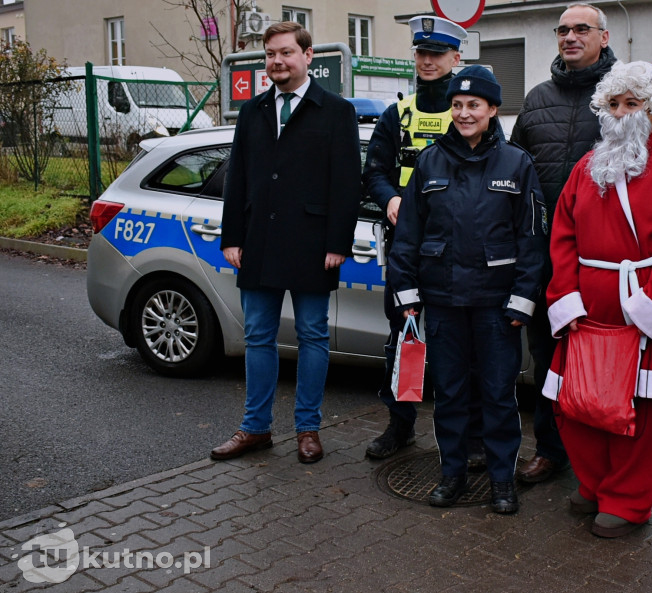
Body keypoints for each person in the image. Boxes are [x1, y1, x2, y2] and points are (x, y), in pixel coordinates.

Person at [542, 61, 652, 537]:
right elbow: (563, 236)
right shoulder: (586, 166)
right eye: (613, 104)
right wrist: (566, 299)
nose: (620, 113)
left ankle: (628, 501)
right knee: (576, 405)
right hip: (587, 311)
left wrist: (649, 310)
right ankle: (596, 485)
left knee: (643, 412)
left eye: (631, 104)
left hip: (643, 312)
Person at [389, 66, 543, 514]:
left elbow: (532, 239)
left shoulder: (517, 163)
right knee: (451, 395)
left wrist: (522, 299)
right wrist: (408, 295)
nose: (463, 113)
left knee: (498, 395)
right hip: (442, 304)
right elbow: (409, 238)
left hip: (496, 306)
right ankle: (452, 475)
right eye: (457, 105)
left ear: (493, 109)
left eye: (474, 105)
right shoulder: (430, 161)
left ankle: (501, 481)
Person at [212, 22, 362, 464]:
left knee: (313, 335)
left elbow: (346, 183)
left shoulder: (336, 111)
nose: (277, 61)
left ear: (308, 56)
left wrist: (338, 241)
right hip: (258, 240)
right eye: (270, 54)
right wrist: (232, 236)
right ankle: (255, 428)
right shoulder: (253, 111)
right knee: (258, 335)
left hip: (314, 243)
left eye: (286, 53)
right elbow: (236, 177)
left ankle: (308, 429)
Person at [361, 16, 486, 465]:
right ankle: (401, 425)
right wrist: (391, 200)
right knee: (406, 340)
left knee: (464, 345)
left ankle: (471, 436)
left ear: (457, 58)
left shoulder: (472, 111)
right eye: (421, 53)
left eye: (437, 54)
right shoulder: (398, 113)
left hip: (459, 250)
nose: (428, 61)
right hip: (409, 249)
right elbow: (373, 172)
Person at [509, 1, 617, 484]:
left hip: (605, 259)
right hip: (546, 256)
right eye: (562, 30)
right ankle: (551, 450)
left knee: (602, 356)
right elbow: (513, 171)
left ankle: (603, 454)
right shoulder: (536, 100)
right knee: (549, 356)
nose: (570, 37)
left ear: (603, 37)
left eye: (581, 29)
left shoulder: (622, 96)